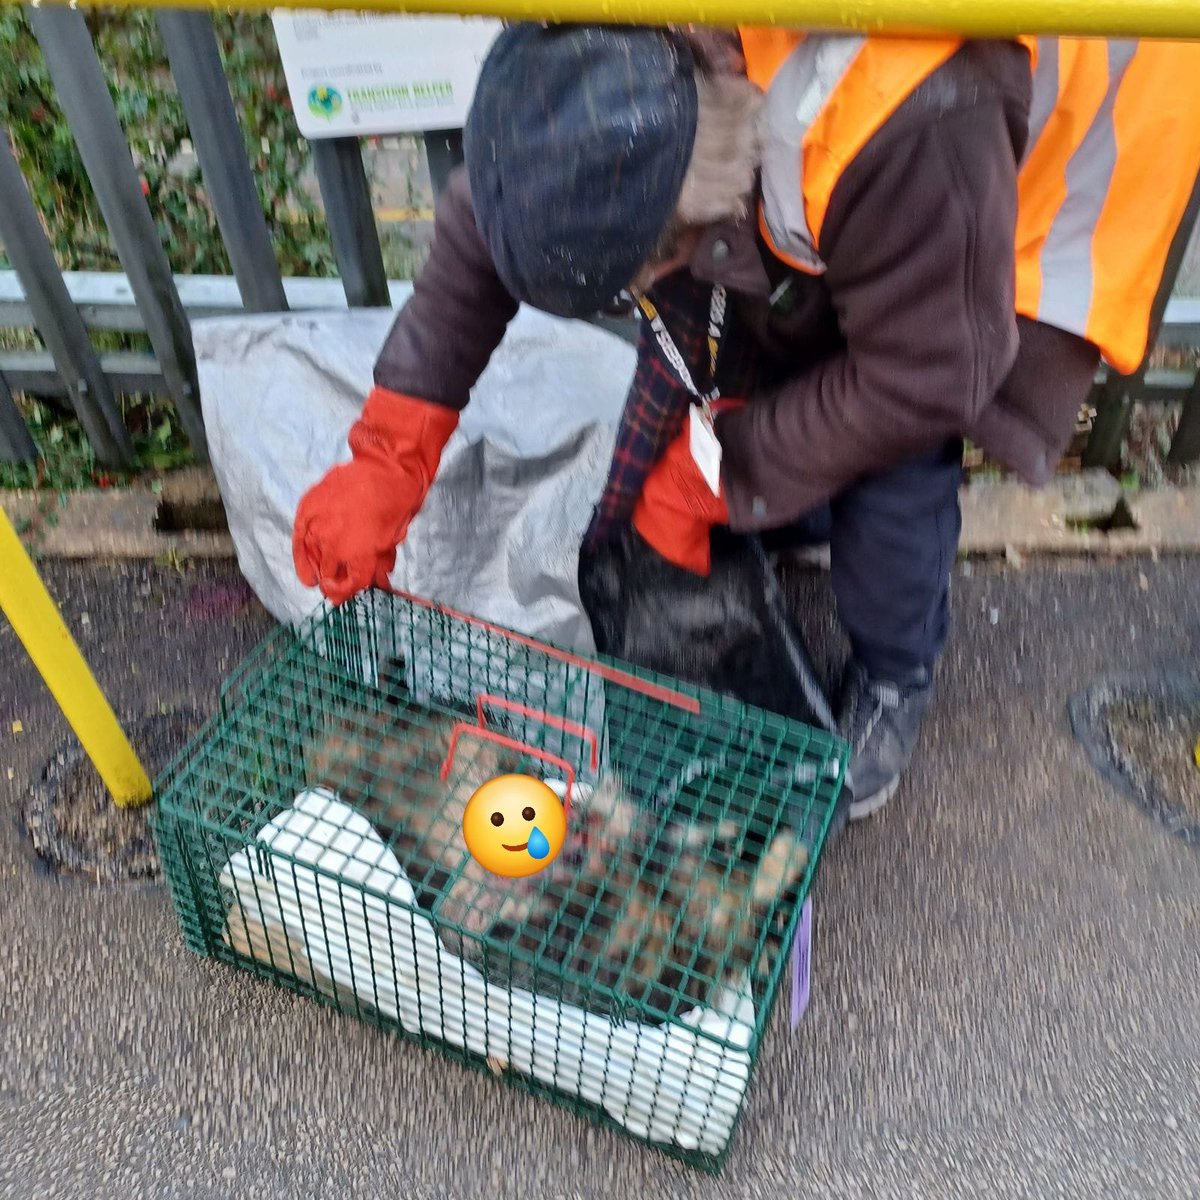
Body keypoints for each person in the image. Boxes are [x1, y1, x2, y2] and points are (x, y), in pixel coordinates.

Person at [292, 24, 1200, 821]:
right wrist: (389, 453)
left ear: (717, 193)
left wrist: (716, 471)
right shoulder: (608, 51)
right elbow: (503, 212)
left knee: (892, 470)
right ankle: (787, 505)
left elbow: (928, 377)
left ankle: (895, 673)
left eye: (650, 270)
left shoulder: (898, 115)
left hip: (986, 182)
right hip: (834, 173)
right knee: (753, 379)